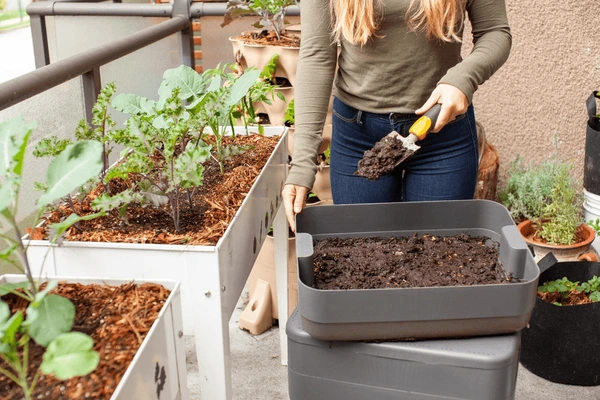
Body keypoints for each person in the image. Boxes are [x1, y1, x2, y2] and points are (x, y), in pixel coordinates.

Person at [282, 0, 512, 231]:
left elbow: (495, 32)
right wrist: (302, 163)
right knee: (364, 254)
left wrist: (464, 79)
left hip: (442, 134)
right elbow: (317, 55)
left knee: (437, 257)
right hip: (358, 137)